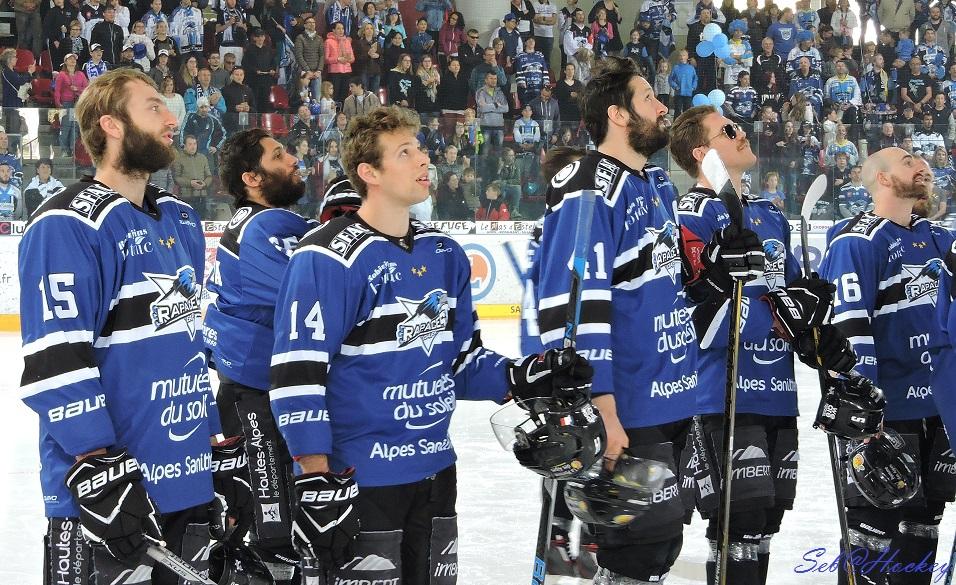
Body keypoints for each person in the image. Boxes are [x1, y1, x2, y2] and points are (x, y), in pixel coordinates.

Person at [269, 105, 592, 584]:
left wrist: (523, 375)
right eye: (405, 152)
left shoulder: (444, 253)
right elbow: (298, 372)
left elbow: (460, 360)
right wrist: (316, 476)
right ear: (369, 173)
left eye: (419, 148)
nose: (424, 160)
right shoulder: (326, 257)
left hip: (435, 471)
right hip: (359, 479)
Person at [18, 67, 247, 585]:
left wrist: (215, 444)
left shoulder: (181, 219)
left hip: (186, 485)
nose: (172, 119)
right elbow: (56, 362)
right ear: (113, 125)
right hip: (109, 498)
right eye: (154, 108)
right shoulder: (68, 224)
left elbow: (184, 345)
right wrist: (98, 469)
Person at [533, 55, 743, 585]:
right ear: (618, 114)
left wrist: (720, 271)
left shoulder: (654, 184)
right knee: (634, 557)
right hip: (628, 406)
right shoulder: (588, 184)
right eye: (648, 97)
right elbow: (573, 309)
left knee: (660, 549)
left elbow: (664, 289)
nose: (662, 106)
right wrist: (602, 412)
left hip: (673, 399)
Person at [670, 106, 855, 584]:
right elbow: (696, 319)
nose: (741, 131)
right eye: (727, 129)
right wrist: (781, 317)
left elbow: (793, 302)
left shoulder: (769, 215)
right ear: (702, 153)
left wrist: (816, 324)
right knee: (739, 524)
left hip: (777, 392)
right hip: (722, 394)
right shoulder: (689, 216)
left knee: (767, 523)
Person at [820, 147, 956, 585]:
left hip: (937, 411)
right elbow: (850, 333)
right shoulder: (857, 240)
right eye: (909, 159)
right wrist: (866, 420)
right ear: (881, 178)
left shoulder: (938, 237)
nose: (923, 164)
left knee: (922, 532)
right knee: (872, 540)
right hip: (887, 415)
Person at [204, 127, 319, 583]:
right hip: (257, 396)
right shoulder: (261, 227)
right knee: (268, 533)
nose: (293, 158)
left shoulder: (267, 224)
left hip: (250, 394)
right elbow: (308, 295)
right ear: (252, 177)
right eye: (278, 154)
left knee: (262, 522)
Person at [55, 53, 89, 159]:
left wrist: (77, 89)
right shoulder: (61, 74)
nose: (73, 60)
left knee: (75, 128)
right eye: (70, 59)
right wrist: (58, 103)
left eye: (74, 58)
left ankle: (74, 150)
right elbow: (57, 90)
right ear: (65, 61)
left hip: (77, 103)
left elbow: (87, 88)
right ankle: (64, 150)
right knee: (65, 127)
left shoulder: (80, 74)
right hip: (66, 103)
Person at [172, 133, 212, 208]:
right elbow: (176, 178)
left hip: (202, 196)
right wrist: (190, 183)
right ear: (184, 146)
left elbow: (209, 176)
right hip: (185, 197)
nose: (193, 147)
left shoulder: (203, 158)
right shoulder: (178, 159)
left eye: (195, 144)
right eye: (190, 144)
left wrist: (205, 184)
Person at [294, 15, 324, 100]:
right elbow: (299, 55)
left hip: (316, 72)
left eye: (313, 23)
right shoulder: (300, 38)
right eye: (309, 23)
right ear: (305, 25)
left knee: (317, 98)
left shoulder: (319, 38)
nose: (312, 24)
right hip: (304, 72)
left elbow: (322, 55)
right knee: (304, 98)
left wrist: (319, 70)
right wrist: (307, 70)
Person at [476, 70, 508, 149]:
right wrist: (496, 105)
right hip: (485, 126)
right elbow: (482, 108)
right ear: (486, 80)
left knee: (498, 154)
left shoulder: (500, 92)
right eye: (491, 78)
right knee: (484, 153)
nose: (494, 81)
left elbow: (506, 108)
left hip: (499, 127)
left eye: (495, 79)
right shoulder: (480, 92)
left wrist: (489, 107)